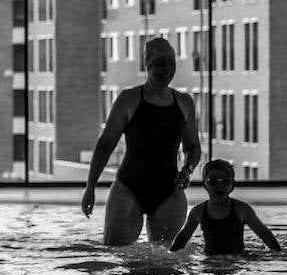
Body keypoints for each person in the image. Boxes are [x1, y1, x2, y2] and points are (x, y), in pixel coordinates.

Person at [81, 36, 203, 245]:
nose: (167, 70)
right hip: (129, 186)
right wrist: (90, 188)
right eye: (160, 64)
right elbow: (105, 145)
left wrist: (188, 170)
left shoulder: (184, 103)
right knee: (115, 251)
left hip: (169, 190)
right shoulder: (128, 100)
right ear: (148, 66)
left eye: (171, 64)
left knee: (167, 260)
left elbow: (193, 146)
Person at [170, 159, 281, 255]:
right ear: (204, 185)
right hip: (211, 260)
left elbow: (263, 233)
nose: (219, 185)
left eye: (225, 181)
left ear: (232, 185)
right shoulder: (198, 211)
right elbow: (183, 237)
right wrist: (171, 255)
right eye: (212, 181)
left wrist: (278, 253)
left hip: (238, 258)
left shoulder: (241, 209)